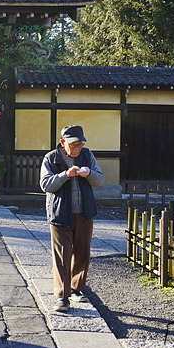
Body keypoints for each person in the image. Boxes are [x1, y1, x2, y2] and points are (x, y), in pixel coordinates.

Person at [40, 124, 104, 312]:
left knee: (83, 253)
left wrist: (89, 173)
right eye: (73, 145)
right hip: (60, 213)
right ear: (62, 143)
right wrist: (65, 175)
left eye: (80, 144)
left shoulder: (87, 155)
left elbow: (100, 179)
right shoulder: (51, 158)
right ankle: (62, 296)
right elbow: (45, 185)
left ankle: (76, 288)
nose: (77, 148)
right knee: (62, 255)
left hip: (84, 212)